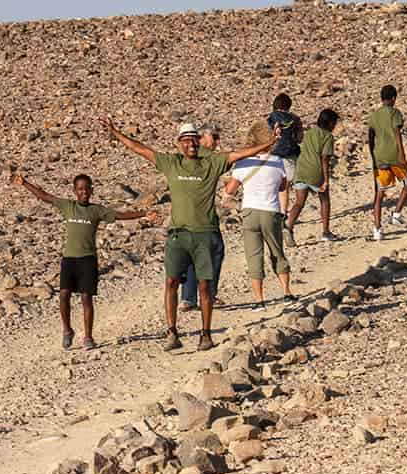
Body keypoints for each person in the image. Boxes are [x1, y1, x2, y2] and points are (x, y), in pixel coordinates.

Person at [100, 117, 278, 352]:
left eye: (194, 140)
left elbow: (238, 154)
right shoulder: (171, 163)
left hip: (205, 234)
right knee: (171, 281)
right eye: (186, 141)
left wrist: (268, 144)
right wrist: (116, 132)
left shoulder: (212, 163)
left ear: (198, 142)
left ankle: (205, 334)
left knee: (205, 286)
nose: (191, 144)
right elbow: (141, 149)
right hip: (178, 235)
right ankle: (172, 331)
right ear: (179, 144)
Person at [9, 172, 157, 350]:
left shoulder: (96, 210)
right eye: (80, 189)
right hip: (69, 259)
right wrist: (25, 183)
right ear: (75, 191)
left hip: (88, 260)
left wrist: (143, 214)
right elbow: (45, 196)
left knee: (86, 298)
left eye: (87, 188)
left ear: (92, 190)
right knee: (64, 295)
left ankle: (88, 336)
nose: (84, 192)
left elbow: (119, 215)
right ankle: (67, 331)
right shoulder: (68, 206)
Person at [223, 122, 293, 310]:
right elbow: (282, 186)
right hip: (271, 211)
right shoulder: (278, 162)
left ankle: (259, 300)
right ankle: (286, 292)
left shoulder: (243, 163)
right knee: (277, 252)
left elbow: (229, 191)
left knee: (254, 256)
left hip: (250, 212)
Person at [179, 123, 225, 312]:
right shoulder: (207, 157)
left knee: (190, 256)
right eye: (214, 136)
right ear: (202, 137)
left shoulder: (184, 157)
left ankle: (188, 298)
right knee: (216, 251)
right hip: (205, 219)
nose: (216, 141)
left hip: (185, 216)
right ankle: (209, 294)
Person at [285, 108, 340, 244]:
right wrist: (326, 180)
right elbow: (325, 160)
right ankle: (326, 232)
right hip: (315, 173)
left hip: (301, 170)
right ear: (330, 123)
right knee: (324, 200)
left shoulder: (309, 132)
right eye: (334, 123)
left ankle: (289, 226)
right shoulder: (328, 137)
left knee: (299, 203)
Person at [368, 85, 407, 241]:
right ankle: (396, 214)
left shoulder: (373, 116)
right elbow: (397, 134)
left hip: (379, 157)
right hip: (394, 156)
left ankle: (377, 230)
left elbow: (370, 139)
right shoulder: (395, 113)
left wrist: (374, 160)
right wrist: (402, 154)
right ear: (393, 98)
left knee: (379, 194)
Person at [265, 93, 303, 218]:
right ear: (288, 105)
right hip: (289, 155)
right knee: (285, 186)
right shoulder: (295, 119)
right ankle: (283, 213)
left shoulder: (270, 119)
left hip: (272, 155)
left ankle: (271, 213)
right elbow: (299, 138)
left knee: (272, 185)